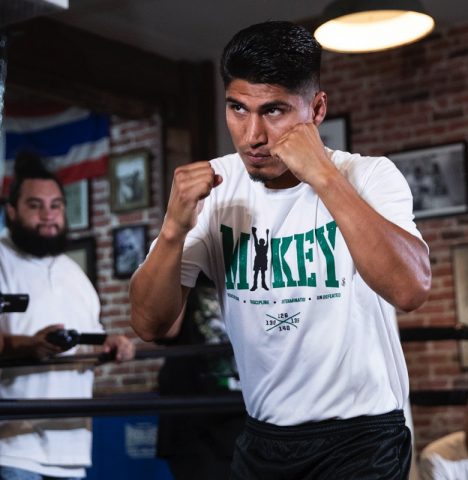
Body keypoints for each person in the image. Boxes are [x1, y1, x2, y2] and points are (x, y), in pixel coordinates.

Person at [128, 20, 431, 480]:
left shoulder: (369, 177)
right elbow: (152, 324)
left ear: (317, 108)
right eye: (237, 109)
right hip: (263, 438)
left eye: (274, 111)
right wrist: (172, 230)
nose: (252, 136)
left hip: (362, 438)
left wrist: (324, 177)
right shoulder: (218, 189)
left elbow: (410, 289)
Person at [0, 151, 135, 480]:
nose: (48, 215)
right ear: (12, 211)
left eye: (56, 205)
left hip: (72, 446)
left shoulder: (75, 275)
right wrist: (31, 346)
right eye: (35, 205)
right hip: (11, 444)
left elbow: (84, 349)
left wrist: (110, 348)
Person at [155, 273, 246, 480]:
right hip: (195, 421)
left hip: (248, 416)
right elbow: (164, 329)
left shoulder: (248, 272)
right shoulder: (188, 268)